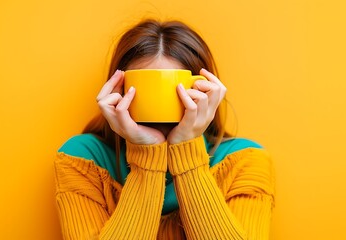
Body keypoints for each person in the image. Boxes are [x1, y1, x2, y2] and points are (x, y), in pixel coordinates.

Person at [54, 19, 275, 240]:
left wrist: (187, 149)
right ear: (118, 89)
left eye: (175, 90)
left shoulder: (245, 161)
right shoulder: (82, 160)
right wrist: (146, 151)